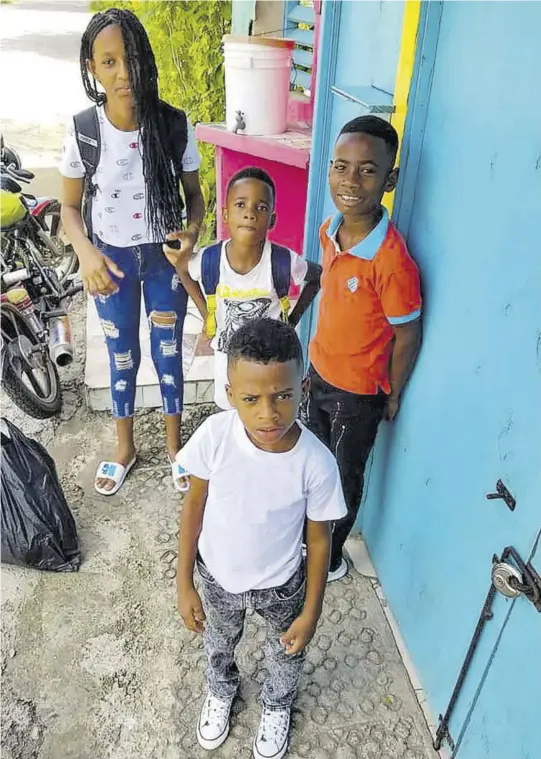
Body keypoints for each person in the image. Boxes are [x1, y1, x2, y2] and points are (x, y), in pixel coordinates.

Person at [176, 319, 346, 759]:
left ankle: (276, 705)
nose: (268, 413)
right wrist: (183, 582)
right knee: (218, 643)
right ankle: (220, 690)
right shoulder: (215, 438)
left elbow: (321, 541)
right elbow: (193, 506)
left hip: (282, 586)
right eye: (251, 399)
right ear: (230, 394)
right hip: (217, 578)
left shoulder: (317, 463)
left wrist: (311, 610)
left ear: (302, 387)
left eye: (282, 396)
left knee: (286, 652)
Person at [60, 8, 205, 496]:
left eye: (133, 58)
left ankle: (173, 448)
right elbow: (69, 206)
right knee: (122, 355)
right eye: (109, 62)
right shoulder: (85, 131)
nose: (125, 73)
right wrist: (86, 253)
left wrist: (191, 232)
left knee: (168, 354)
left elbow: (195, 195)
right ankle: (124, 447)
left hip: (165, 262)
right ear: (92, 69)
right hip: (112, 264)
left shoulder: (173, 126)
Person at [304, 116, 422, 582]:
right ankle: (307, 533)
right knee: (312, 463)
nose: (350, 181)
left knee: (343, 475)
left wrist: (391, 393)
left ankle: (328, 558)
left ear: (389, 180)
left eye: (368, 170)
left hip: (358, 396)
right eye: (340, 166)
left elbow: (407, 335)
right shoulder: (330, 228)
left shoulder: (392, 262)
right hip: (318, 373)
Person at [174, 166, 321, 410]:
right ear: (225, 213)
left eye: (261, 207)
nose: (250, 213)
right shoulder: (210, 260)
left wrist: (292, 320)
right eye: (240, 204)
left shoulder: (282, 261)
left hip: (272, 361)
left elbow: (316, 277)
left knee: (268, 413)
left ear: (272, 219)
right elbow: (185, 271)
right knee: (231, 410)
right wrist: (208, 316)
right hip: (228, 357)